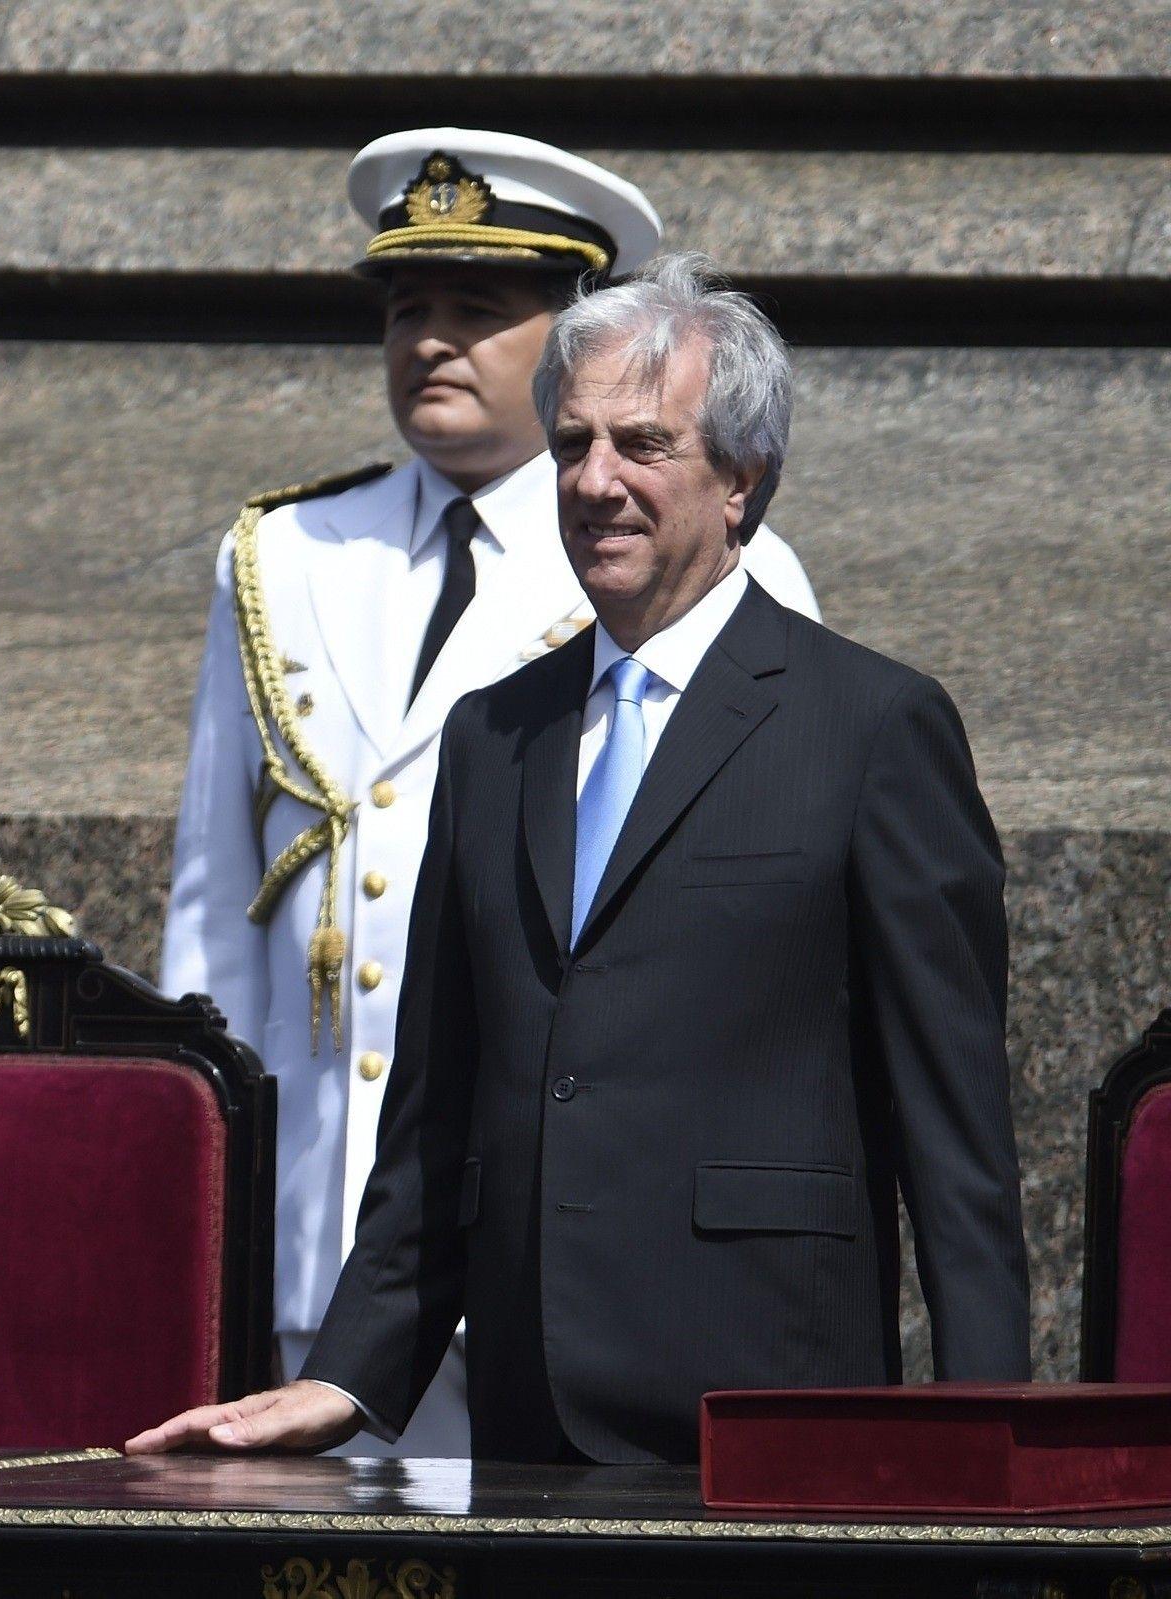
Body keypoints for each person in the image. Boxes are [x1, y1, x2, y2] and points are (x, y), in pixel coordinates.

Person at [133, 254, 1029, 1465]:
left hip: (762, 1410)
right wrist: (347, 1377)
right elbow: (435, 1120)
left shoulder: (869, 727)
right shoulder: (497, 732)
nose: (593, 484)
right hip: (527, 1419)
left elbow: (955, 1138)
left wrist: (989, 1439)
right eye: (571, 445)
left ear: (742, 483)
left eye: (643, 446)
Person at [160, 130, 818, 1455]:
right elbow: (213, 905)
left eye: (480, 310)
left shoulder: (715, 566)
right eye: (408, 308)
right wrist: (218, 1189)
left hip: (566, 1258)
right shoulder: (286, 553)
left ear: (573, 339)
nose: (433, 342)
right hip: (314, 1246)